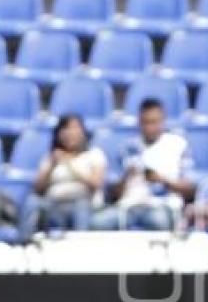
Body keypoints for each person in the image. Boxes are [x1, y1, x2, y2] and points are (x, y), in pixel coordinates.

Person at [90, 99, 194, 231]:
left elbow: (190, 189)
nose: (149, 128)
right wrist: (127, 176)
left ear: (163, 121)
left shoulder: (178, 145)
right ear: (139, 122)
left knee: (158, 222)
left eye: (154, 122)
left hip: (161, 205)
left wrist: (162, 180)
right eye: (145, 122)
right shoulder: (127, 148)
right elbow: (113, 193)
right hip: (128, 205)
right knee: (97, 223)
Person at [25, 114, 106, 238]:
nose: (70, 133)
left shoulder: (94, 154)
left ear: (83, 132)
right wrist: (51, 166)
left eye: (75, 128)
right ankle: (24, 244)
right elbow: (38, 189)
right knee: (32, 202)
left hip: (81, 202)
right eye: (65, 129)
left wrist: (70, 163)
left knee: (81, 208)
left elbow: (95, 183)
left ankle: (80, 247)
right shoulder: (51, 157)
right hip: (54, 203)